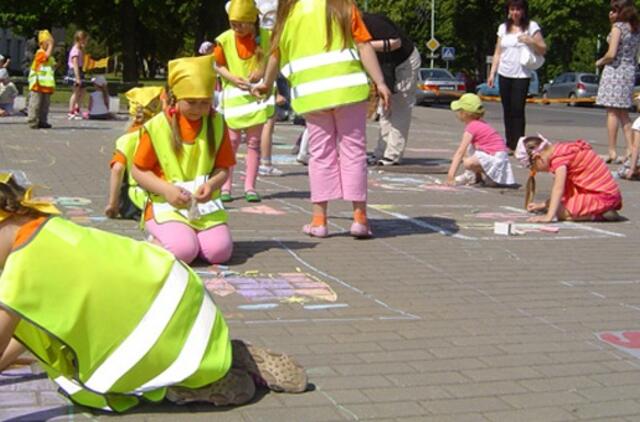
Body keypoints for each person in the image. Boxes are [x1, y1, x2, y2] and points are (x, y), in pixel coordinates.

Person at [0, 173, 307, 412]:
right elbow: (23, 324)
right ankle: (225, 355)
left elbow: (9, 323)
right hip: (177, 293)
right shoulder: (51, 228)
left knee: (94, 387)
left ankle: (197, 384)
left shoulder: (23, 265)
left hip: (151, 329)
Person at [253, 0, 391, 238]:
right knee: (354, 151)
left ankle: (319, 221)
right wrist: (379, 82)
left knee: (320, 154)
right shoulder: (342, 5)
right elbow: (363, 45)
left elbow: (276, 54)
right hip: (348, 90)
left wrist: (266, 83)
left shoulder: (287, 14)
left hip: (312, 95)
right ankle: (359, 219)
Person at [131, 55, 236, 265]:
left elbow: (224, 168)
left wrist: (211, 184)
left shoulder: (216, 123)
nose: (198, 109)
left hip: (203, 205)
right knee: (183, 251)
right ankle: (160, 240)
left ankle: (189, 237)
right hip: (166, 205)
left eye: (204, 103)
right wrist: (166, 190)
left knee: (219, 253)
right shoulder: (158, 126)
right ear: (174, 98)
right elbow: (138, 170)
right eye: (191, 102)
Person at [214, 0, 274, 203]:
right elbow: (218, 65)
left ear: (252, 22)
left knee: (254, 143)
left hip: (256, 97)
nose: (237, 28)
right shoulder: (224, 39)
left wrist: (261, 71)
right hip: (234, 98)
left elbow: (273, 59)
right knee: (231, 143)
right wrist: (232, 78)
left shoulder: (264, 38)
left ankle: (250, 186)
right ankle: (226, 186)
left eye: (241, 24)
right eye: (233, 24)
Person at [515, 135, 622, 222]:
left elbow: (558, 188)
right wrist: (543, 205)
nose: (536, 171)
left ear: (537, 157)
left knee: (559, 211)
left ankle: (598, 215)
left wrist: (549, 216)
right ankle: (597, 211)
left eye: (532, 167)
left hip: (603, 197)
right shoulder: (561, 149)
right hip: (605, 193)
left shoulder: (559, 159)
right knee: (556, 205)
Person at [362, 12, 421, 166]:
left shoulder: (372, 21)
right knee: (385, 108)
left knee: (400, 105)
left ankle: (393, 154)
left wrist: (365, 45)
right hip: (385, 66)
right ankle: (380, 152)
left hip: (404, 62)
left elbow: (396, 42)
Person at [488, 0, 546, 151]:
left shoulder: (531, 26)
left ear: (523, 11)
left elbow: (543, 49)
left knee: (518, 109)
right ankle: (509, 143)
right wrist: (492, 73)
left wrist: (531, 41)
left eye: (518, 9)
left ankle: (519, 144)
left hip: (521, 74)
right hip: (504, 73)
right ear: (508, 11)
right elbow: (498, 52)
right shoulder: (503, 28)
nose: (515, 12)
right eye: (512, 9)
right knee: (507, 109)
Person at [105, 86, 164, 219]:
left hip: (135, 201)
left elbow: (118, 169)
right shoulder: (164, 135)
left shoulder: (126, 139)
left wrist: (112, 204)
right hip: (162, 196)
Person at [596, 0, 640, 163]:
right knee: (624, 113)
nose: (611, 14)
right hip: (629, 71)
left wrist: (600, 62)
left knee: (612, 112)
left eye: (614, 10)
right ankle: (630, 149)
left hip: (615, 71)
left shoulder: (618, 27)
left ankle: (612, 150)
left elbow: (611, 53)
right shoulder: (635, 29)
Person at [446, 94, 516, 187]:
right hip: (499, 160)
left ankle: (471, 175)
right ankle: (483, 176)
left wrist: (450, 176)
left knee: (467, 160)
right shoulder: (480, 123)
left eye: (459, 111)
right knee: (472, 148)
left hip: (495, 159)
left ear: (465, 113)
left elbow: (460, 152)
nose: (457, 113)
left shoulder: (472, 127)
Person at [27, 30, 55, 130]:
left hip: (46, 85)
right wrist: (51, 46)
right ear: (41, 43)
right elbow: (45, 57)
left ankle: (43, 121)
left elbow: (51, 65)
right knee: (35, 103)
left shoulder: (49, 56)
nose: (50, 45)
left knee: (45, 105)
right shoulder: (40, 53)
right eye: (48, 42)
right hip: (37, 83)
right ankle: (33, 120)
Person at [66, 30, 89, 120]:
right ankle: (71, 111)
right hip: (74, 71)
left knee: (83, 90)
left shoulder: (80, 50)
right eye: (85, 40)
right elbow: (75, 64)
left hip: (79, 70)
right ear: (81, 40)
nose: (86, 42)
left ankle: (77, 108)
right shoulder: (75, 51)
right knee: (76, 92)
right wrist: (77, 77)